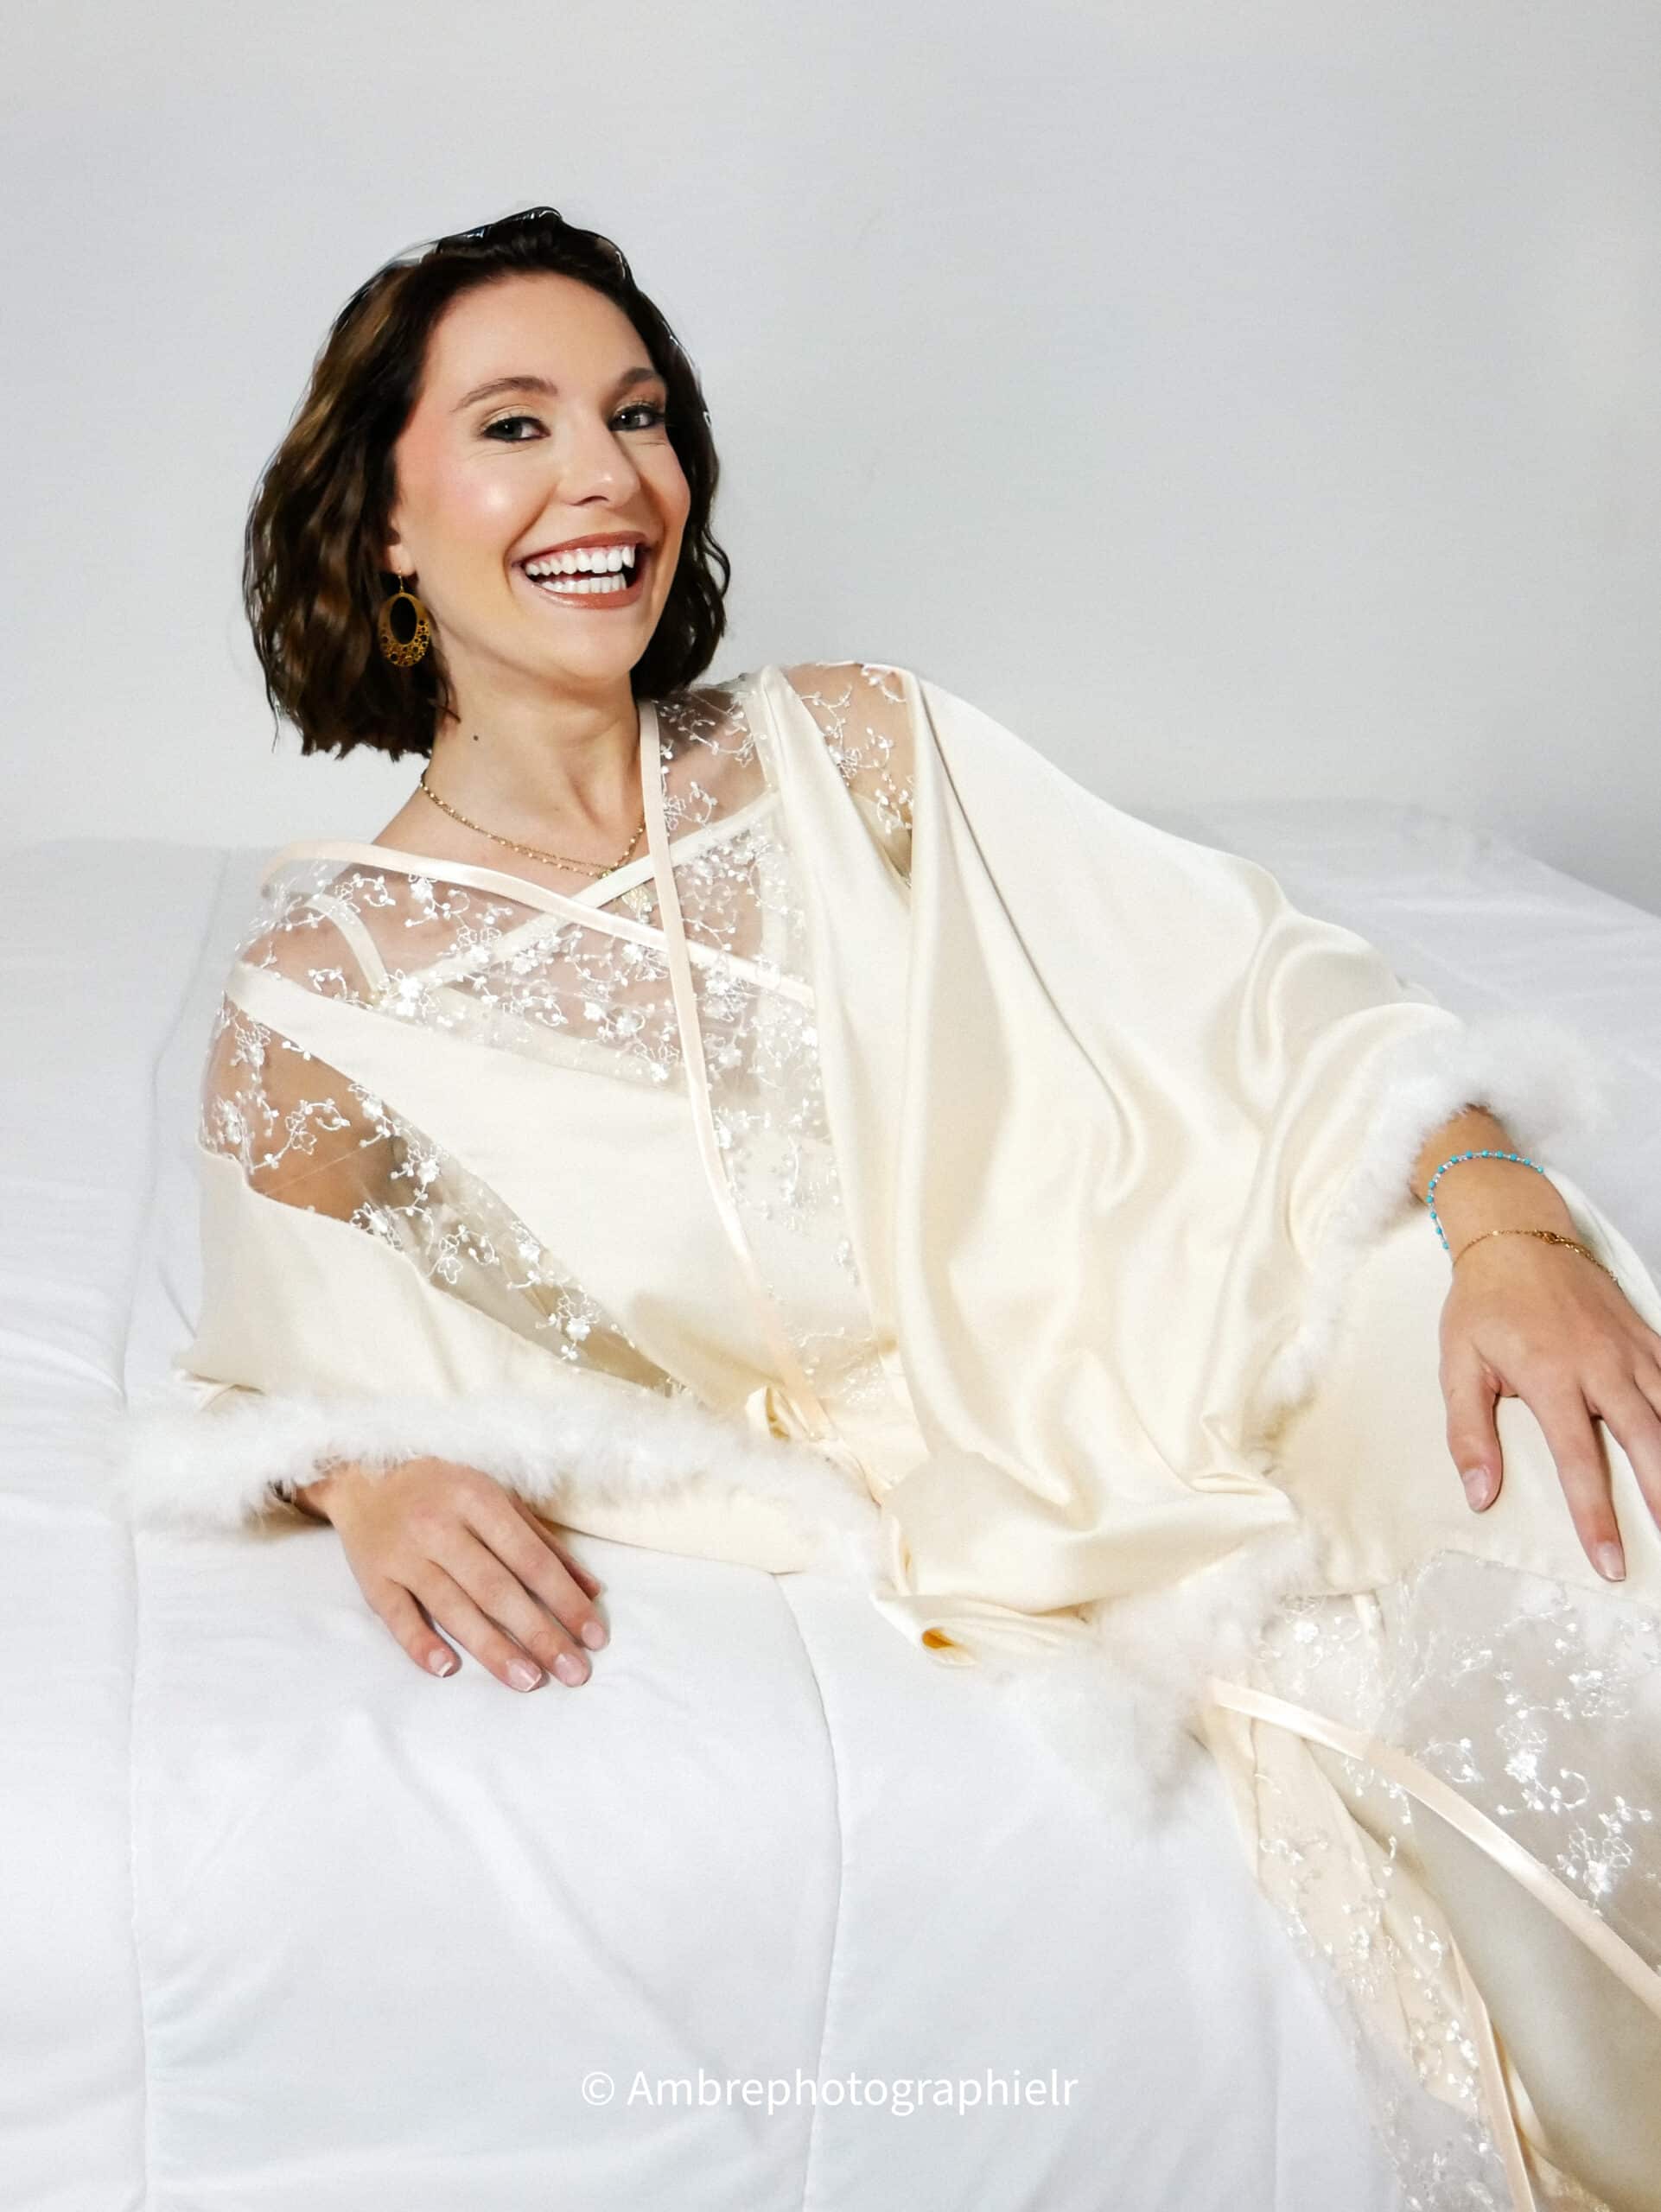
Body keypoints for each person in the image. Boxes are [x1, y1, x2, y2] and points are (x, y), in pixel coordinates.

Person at [115, 207, 1661, 2212]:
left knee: (1583, 1484)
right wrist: (368, 1470)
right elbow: (274, 1350)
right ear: (385, 521)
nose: (604, 477)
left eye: (638, 417)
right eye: (513, 425)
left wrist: (1498, 1207)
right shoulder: (323, 1000)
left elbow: (1246, 976)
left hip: (1231, 1312)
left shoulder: (856, 746)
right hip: (968, 1517)